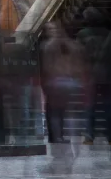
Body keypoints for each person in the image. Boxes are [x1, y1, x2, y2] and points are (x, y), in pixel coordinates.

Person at [41, 21, 84, 170]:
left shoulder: (49, 46)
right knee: (68, 114)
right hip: (72, 84)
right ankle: (71, 147)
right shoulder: (75, 46)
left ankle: (59, 147)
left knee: (54, 116)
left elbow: (47, 68)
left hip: (55, 84)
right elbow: (79, 67)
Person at [76, 6, 111, 145]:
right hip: (108, 75)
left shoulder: (82, 34)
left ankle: (89, 136)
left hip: (90, 76)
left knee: (89, 106)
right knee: (109, 105)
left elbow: (78, 55)